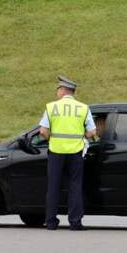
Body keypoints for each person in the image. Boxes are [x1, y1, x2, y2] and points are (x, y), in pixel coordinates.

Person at [39, 75, 97, 230]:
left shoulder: (51, 107)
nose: (57, 92)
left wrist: (52, 138)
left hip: (56, 151)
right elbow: (92, 132)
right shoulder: (83, 108)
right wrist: (81, 137)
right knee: (75, 186)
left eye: (58, 89)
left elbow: (43, 131)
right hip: (75, 152)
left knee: (53, 187)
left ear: (64, 90)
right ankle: (75, 222)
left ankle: (51, 222)